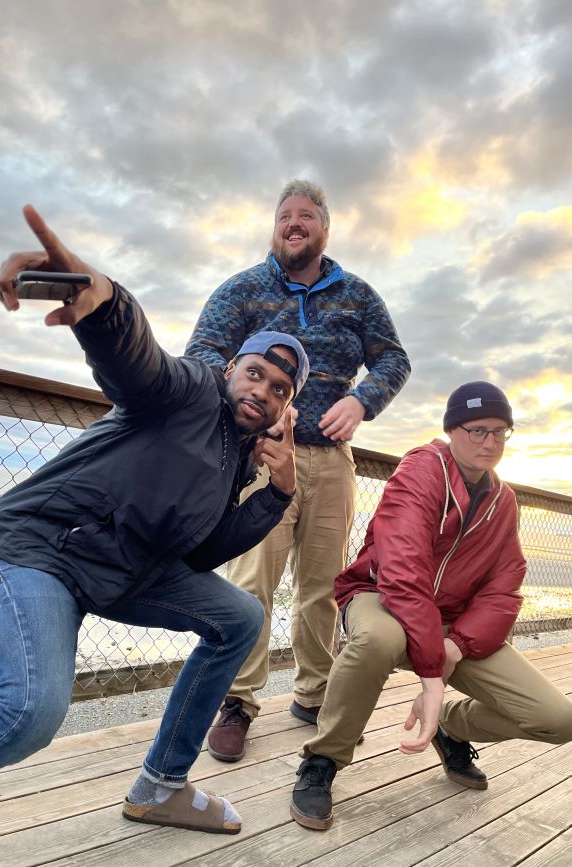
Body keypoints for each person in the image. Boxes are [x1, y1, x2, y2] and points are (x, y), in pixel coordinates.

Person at [0, 205, 311, 835]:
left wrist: (275, 495)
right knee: (31, 711)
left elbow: (201, 553)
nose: (261, 391)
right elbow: (137, 361)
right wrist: (99, 301)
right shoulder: (187, 392)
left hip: (122, 572)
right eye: (255, 373)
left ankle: (161, 787)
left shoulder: (237, 458)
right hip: (41, 551)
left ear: (283, 411)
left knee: (239, 616)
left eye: (278, 391)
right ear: (231, 369)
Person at [186, 180, 410, 762]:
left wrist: (363, 400)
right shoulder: (242, 288)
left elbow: (394, 356)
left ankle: (314, 695)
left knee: (323, 586)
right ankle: (237, 700)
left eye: (305, 216)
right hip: (262, 456)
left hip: (334, 463)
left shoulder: (357, 294)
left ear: (323, 229)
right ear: (275, 227)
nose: (293, 223)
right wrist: (258, 403)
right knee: (251, 582)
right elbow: (204, 353)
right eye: (284, 215)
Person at [290, 382, 572, 830]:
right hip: (380, 597)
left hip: (451, 625)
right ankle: (323, 759)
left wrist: (456, 647)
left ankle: (452, 727)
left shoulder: (504, 501)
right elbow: (402, 571)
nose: (490, 442)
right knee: (378, 639)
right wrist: (431, 678)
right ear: (452, 430)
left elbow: (504, 589)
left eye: (501, 432)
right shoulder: (422, 468)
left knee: (558, 719)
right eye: (477, 430)